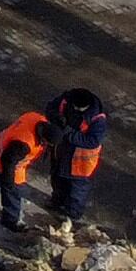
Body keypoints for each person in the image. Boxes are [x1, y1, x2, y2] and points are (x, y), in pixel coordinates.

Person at [0, 104, 49, 232]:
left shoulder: (35, 117)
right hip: (8, 159)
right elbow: (8, 163)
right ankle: (11, 221)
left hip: (1, 147)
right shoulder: (25, 143)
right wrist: (8, 181)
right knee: (13, 190)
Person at [48, 89, 108, 224]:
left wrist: (68, 133)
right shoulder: (65, 100)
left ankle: (72, 214)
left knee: (77, 191)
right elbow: (50, 108)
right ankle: (57, 202)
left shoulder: (97, 119)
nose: (76, 109)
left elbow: (92, 141)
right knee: (58, 182)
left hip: (80, 164)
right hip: (61, 154)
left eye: (79, 108)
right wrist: (56, 117)